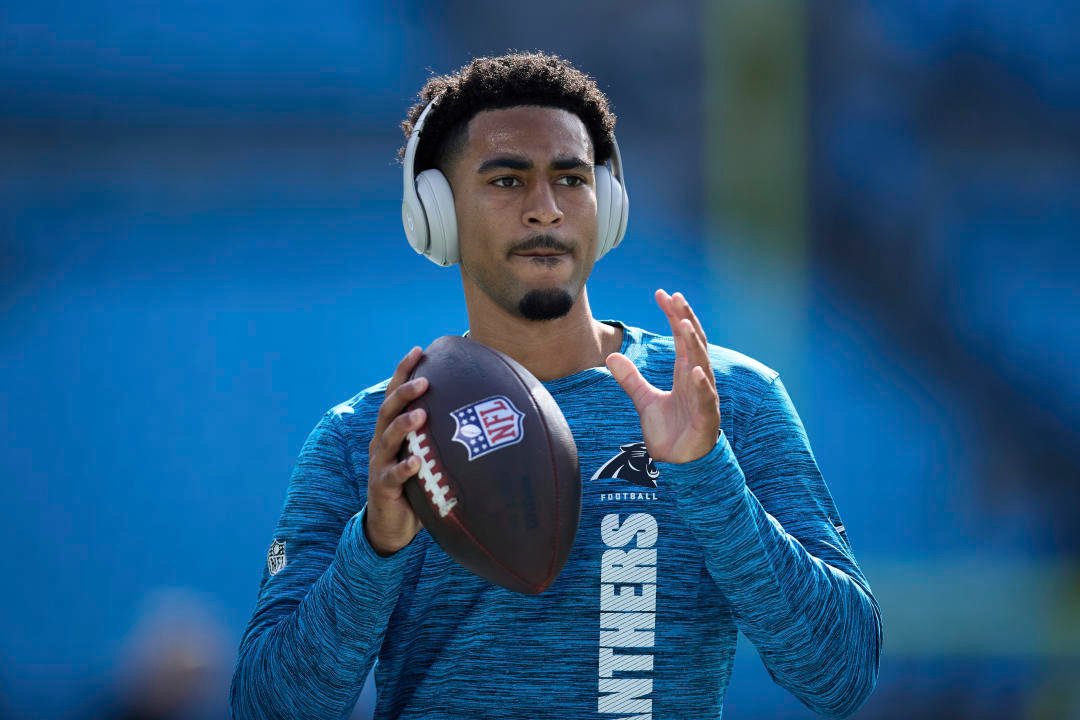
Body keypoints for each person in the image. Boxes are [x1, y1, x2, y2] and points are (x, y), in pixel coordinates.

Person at [230, 51, 881, 719]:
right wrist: (376, 545)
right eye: (507, 181)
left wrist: (709, 475)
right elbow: (267, 708)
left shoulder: (724, 399)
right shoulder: (372, 438)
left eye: (570, 180)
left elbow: (840, 676)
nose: (545, 210)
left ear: (610, 206)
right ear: (437, 212)